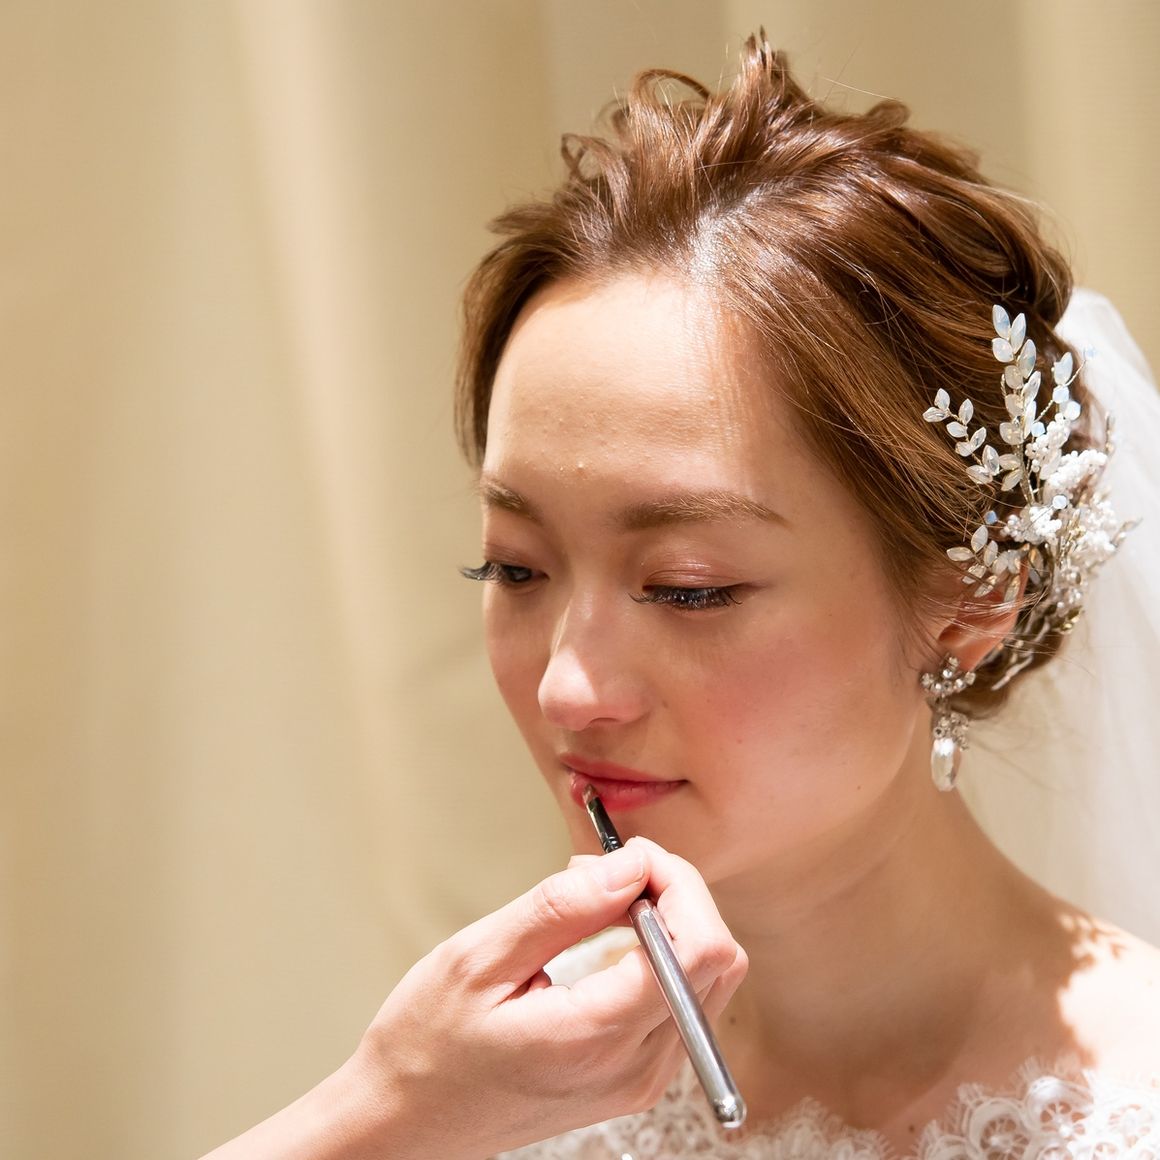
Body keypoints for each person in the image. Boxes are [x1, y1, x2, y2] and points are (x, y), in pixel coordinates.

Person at [203, 34, 1160, 1159]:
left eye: (687, 589)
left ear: (970, 597)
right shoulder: (494, 1084)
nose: (566, 689)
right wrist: (384, 1111)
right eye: (514, 567)